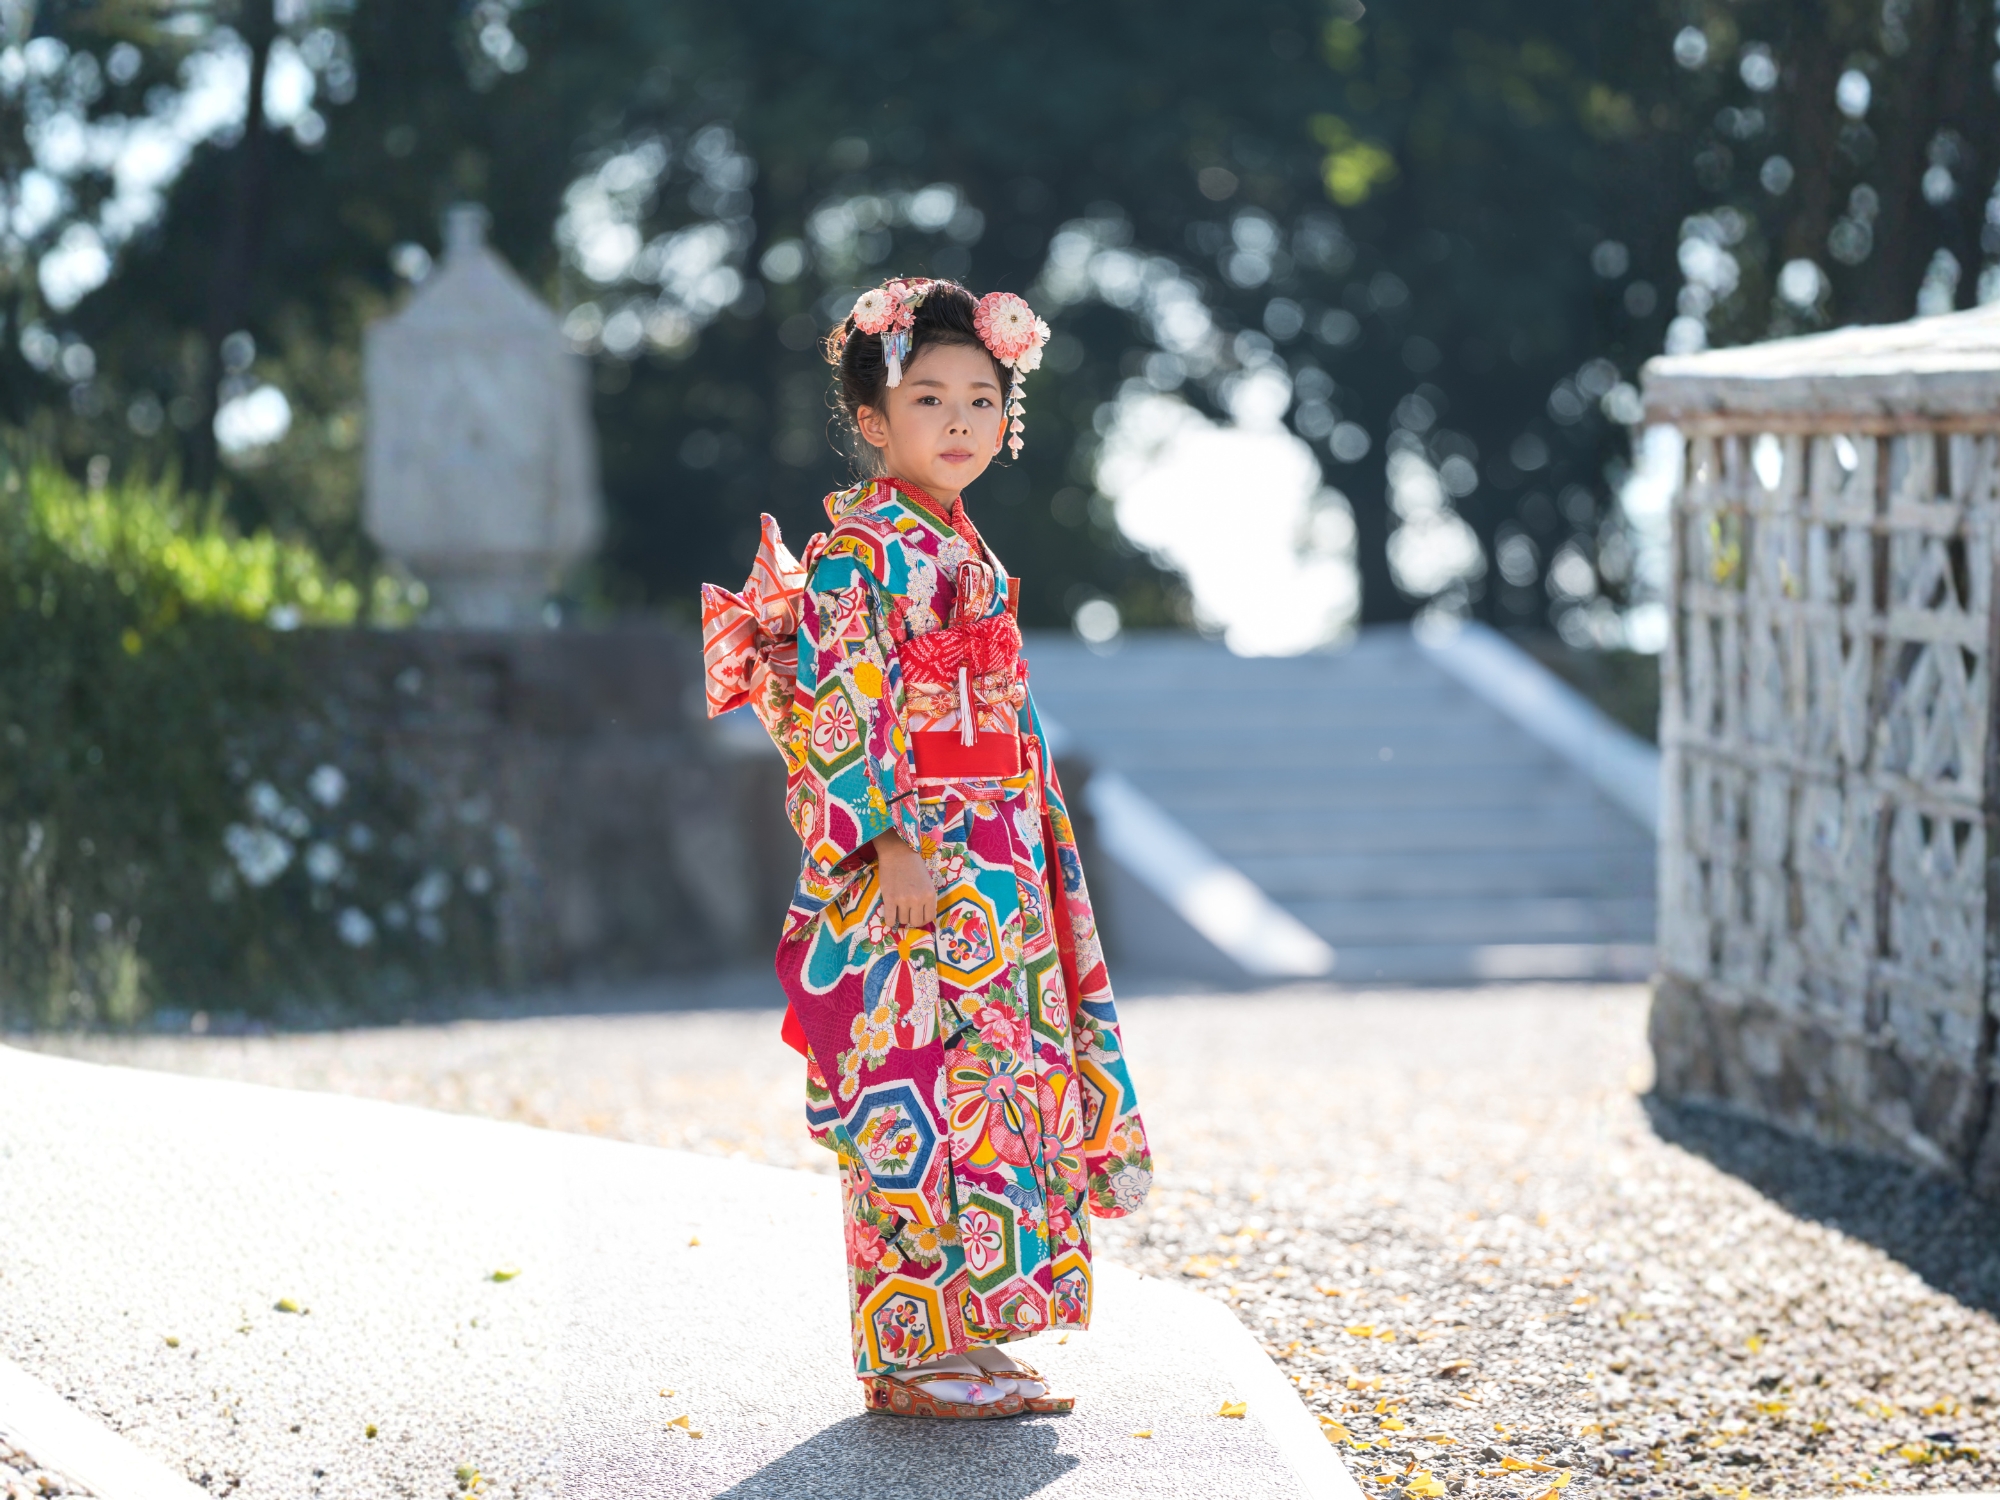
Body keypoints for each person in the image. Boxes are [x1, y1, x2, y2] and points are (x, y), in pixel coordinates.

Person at [700, 278, 1152, 1420]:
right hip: (914, 850)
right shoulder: (859, 550)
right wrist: (890, 837)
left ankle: (974, 1325)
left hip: (995, 851)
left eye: (981, 399)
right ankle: (905, 1349)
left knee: (995, 1080)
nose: (960, 420)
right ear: (872, 418)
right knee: (910, 1079)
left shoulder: (962, 543)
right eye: (929, 397)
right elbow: (847, 700)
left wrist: (1034, 844)